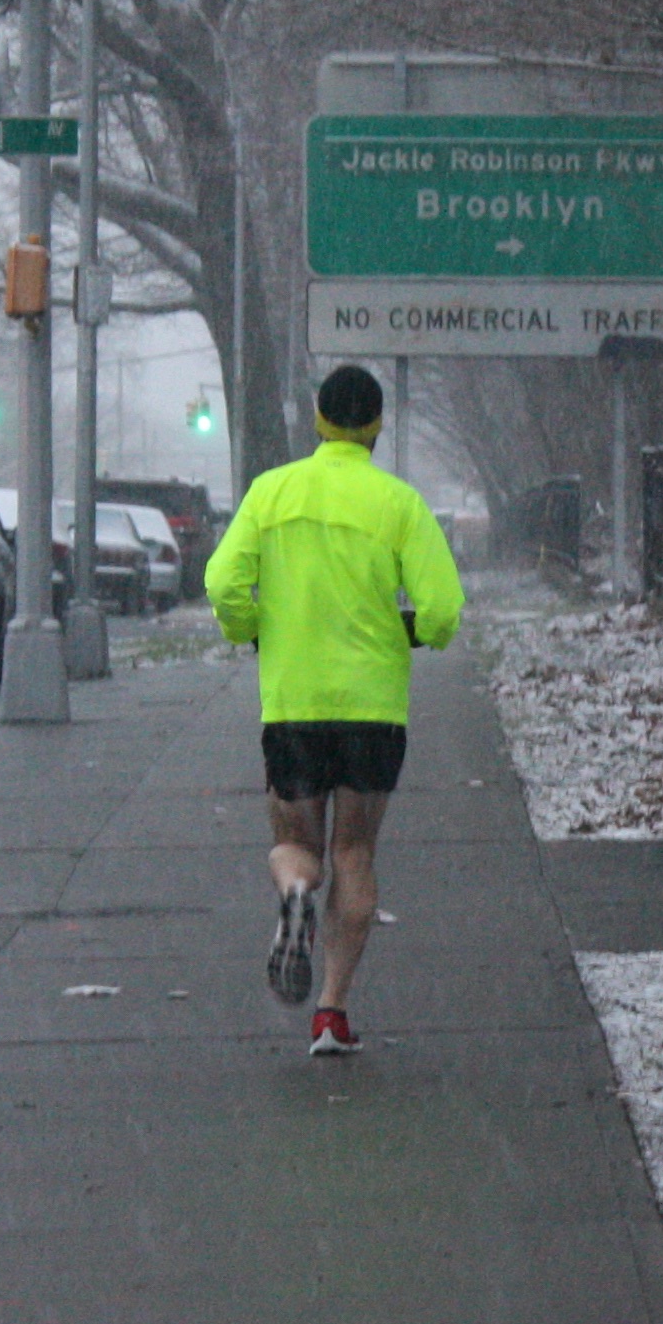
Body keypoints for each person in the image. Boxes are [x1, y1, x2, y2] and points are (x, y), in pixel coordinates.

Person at [203, 364, 465, 1054]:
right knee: (355, 852)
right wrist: (416, 633)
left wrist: (248, 626)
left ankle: (294, 893)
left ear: (318, 420)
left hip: (293, 703)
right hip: (373, 709)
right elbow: (442, 610)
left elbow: (222, 580)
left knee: (296, 843)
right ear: (377, 426)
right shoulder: (399, 504)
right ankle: (331, 1012)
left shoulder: (273, 493)